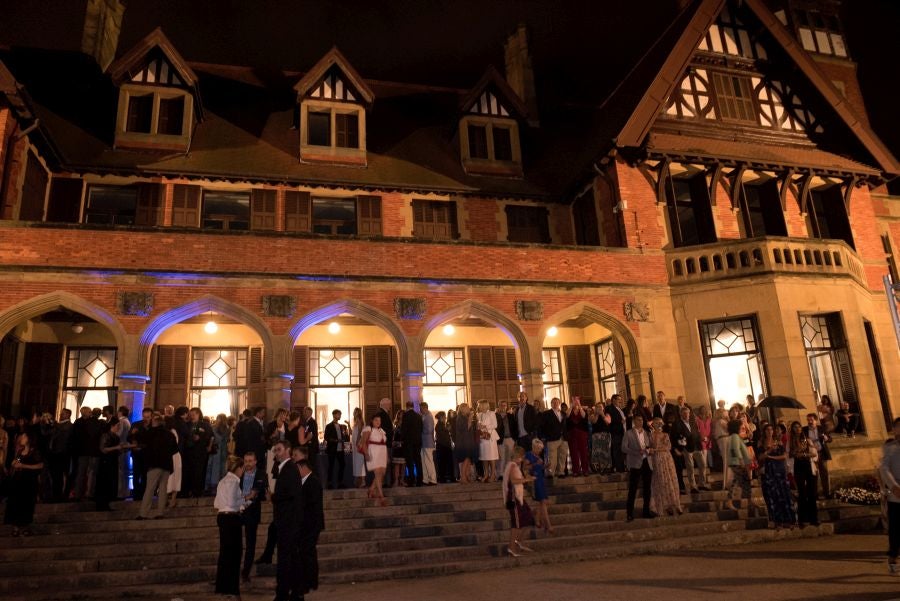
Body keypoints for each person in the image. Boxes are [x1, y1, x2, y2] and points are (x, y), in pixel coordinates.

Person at [213, 455, 254, 598]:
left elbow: (219, 502)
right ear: (239, 468)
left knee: (225, 554)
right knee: (234, 555)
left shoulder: (223, 480)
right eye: (243, 468)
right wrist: (246, 499)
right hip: (231, 519)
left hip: (224, 517)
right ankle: (232, 589)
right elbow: (232, 502)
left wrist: (245, 501)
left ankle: (224, 587)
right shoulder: (233, 482)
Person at [271, 440, 302, 601]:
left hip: (288, 523)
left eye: (279, 450)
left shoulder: (289, 469)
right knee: (290, 559)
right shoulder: (285, 468)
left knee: (286, 559)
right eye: (275, 450)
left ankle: (284, 594)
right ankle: (295, 593)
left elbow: (291, 495)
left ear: (288, 451)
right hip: (287, 522)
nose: (276, 452)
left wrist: (275, 497)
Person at [136, 413, 178, 520]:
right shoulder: (169, 434)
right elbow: (175, 449)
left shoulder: (151, 433)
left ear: (154, 422)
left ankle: (143, 513)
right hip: (167, 464)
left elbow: (140, 441)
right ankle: (160, 512)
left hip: (154, 463)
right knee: (163, 489)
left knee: (150, 488)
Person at [3, 432, 44, 536]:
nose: (22, 438)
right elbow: (16, 462)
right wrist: (14, 463)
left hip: (29, 482)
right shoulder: (19, 451)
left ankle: (25, 527)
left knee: (27, 504)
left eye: (24, 436)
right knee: (15, 503)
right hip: (18, 482)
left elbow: (40, 465)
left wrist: (24, 466)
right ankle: (15, 528)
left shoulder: (34, 451)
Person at [757, 423, 796, 529]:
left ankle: (788, 520)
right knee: (773, 496)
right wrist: (769, 451)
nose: (770, 431)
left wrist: (772, 457)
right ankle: (777, 521)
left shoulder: (778, 442)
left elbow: (784, 455)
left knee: (784, 494)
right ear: (764, 432)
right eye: (767, 430)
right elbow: (760, 457)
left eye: (771, 429)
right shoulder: (761, 443)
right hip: (769, 471)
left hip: (779, 470)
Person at [296, 458, 324, 598]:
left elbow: (311, 505)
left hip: (311, 524)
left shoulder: (312, 481)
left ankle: (308, 582)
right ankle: (311, 581)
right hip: (308, 524)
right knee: (309, 553)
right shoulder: (308, 481)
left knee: (306, 553)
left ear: (303, 468)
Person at [240, 451, 268, 583]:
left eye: (250, 461)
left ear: (255, 461)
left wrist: (244, 498)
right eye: (246, 461)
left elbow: (255, 492)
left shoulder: (261, 474)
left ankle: (245, 572)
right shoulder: (238, 473)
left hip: (252, 511)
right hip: (237, 511)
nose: (248, 464)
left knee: (250, 544)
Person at [502, 446, 535, 557]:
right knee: (516, 524)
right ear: (517, 456)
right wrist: (527, 479)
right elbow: (513, 481)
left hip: (518, 497)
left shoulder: (515, 466)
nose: (522, 459)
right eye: (521, 457)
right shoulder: (512, 465)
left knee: (528, 517)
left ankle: (519, 542)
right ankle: (511, 547)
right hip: (513, 498)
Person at [788, 420, 819, 527]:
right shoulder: (790, 441)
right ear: (792, 429)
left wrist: (805, 454)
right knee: (801, 492)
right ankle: (802, 519)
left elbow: (814, 454)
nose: (797, 429)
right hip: (798, 467)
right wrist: (796, 453)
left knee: (812, 493)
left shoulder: (807, 439)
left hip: (808, 466)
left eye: (799, 427)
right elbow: (790, 455)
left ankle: (813, 518)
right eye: (795, 427)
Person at [622, 414, 654, 521]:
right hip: (635, 463)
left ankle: (646, 511)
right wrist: (636, 452)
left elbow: (649, 446)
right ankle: (630, 513)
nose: (640, 422)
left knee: (647, 489)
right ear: (634, 421)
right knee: (633, 489)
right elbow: (624, 448)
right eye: (638, 420)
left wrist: (650, 450)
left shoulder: (646, 433)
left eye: (641, 420)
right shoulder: (628, 433)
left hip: (647, 462)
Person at [879, 417, 900, 575]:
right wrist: (893, 486)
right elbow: (884, 469)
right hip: (896, 494)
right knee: (895, 529)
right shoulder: (890, 448)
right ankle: (893, 556)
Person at [649, 417, 682, 516]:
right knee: (661, 480)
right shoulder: (651, 435)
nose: (659, 425)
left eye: (660, 423)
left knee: (670, 479)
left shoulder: (665, 434)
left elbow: (668, 447)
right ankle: (663, 506)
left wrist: (655, 449)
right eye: (656, 423)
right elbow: (649, 447)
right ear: (653, 425)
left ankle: (674, 504)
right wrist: (654, 450)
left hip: (667, 459)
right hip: (657, 459)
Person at [723, 419, 757, 514]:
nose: (741, 427)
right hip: (737, 463)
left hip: (737, 462)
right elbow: (735, 450)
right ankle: (745, 502)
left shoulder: (735, 436)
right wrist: (741, 461)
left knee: (738, 483)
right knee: (745, 482)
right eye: (740, 426)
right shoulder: (734, 437)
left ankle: (748, 501)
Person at [671, 405, 707, 493]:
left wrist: (701, 439)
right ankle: (693, 486)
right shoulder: (677, 423)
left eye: (687, 413)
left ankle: (702, 484)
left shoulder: (693, 422)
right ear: (680, 414)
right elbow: (674, 436)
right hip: (686, 448)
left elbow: (697, 433)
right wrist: (679, 446)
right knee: (690, 467)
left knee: (702, 464)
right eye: (684, 413)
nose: (686, 415)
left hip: (696, 446)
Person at [71, 406, 101, 500]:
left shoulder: (78, 422)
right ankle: (86, 493)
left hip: (83, 451)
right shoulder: (93, 422)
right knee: (88, 473)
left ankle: (80, 493)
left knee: (83, 473)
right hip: (88, 451)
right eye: (89, 412)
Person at [525, 438, 552, 534]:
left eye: (541, 449)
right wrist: (536, 463)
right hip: (535, 481)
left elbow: (539, 467)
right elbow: (525, 467)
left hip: (541, 480)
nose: (540, 451)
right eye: (539, 449)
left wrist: (545, 466)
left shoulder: (539, 457)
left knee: (543, 502)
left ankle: (537, 519)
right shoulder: (529, 455)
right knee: (543, 502)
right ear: (534, 447)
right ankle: (548, 525)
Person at [361, 414, 388, 505]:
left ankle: (371, 489)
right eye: (376, 420)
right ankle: (381, 496)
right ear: (372, 421)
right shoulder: (368, 429)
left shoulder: (381, 430)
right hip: (373, 452)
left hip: (382, 453)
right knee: (378, 474)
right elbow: (363, 442)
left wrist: (387, 456)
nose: (378, 422)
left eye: (379, 421)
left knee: (382, 474)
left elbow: (384, 444)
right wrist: (366, 453)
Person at [803, 413, 832, 498]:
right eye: (808, 420)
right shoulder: (804, 430)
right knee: (813, 474)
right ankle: (814, 494)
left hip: (821, 453)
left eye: (811, 420)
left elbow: (830, 439)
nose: (809, 422)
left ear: (816, 420)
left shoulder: (821, 428)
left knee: (824, 473)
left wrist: (827, 439)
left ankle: (827, 493)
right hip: (811, 455)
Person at [47, 408, 73, 502]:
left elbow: (62, 431)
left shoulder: (69, 425)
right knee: (54, 474)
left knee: (60, 474)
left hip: (62, 454)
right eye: (61, 413)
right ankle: (54, 493)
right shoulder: (58, 425)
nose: (61, 415)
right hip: (54, 453)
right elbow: (48, 433)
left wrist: (52, 421)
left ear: (68, 415)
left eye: (63, 414)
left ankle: (59, 494)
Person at [95, 418, 121, 511]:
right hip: (106, 462)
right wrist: (116, 448)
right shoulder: (106, 436)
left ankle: (108, 502)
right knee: (105, 481)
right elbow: (103, 449)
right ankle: (102, 503)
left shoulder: (116, 437)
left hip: (113, 461)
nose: (119, 427)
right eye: (118, 425)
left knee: (111, 481)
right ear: (112, 426)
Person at [128, 407, 153, 501]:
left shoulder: (153, 426)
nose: (145, 419)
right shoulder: (136, 425)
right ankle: (136, 494)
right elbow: (128, 438)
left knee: (146, 475)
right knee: (136, 474)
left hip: (147, 455)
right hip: (137, 454)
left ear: (151, 417)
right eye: (144, 416)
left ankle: (144, 493)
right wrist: (132, 436)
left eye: (148, 417)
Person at [541, 397, 567, 479]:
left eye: (557, 402)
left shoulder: (563, 413)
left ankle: (561, 472)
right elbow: (542, 426)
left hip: (563, 438)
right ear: (551, 404)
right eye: (554, 402)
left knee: (562, 456)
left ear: (559, 403)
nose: (555, 403)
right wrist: (545, 436)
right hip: (552, 438)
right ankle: (550, 473)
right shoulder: (546, 414)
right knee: (552, 458)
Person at [323, 409, 349, 489]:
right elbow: (326, 437)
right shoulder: (329, 426)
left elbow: (346, 438)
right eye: (338, 414)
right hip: (332, 449)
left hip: (340, 449)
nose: (340, 416)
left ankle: (340, 482)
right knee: (331, 466)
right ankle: (329, 483)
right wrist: (336, 440)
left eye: (340, 414)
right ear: (334, 415)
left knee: (342, 465)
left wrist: (346, 435)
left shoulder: (342, 426)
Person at [401, 401, 424, 487]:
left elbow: (404, 430)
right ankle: (419, 481)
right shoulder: (418, 416)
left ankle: (411, 480)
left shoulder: (405, 416)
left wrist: (402, 439)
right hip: (418, 442)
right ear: (413, 407)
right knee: (418, 461)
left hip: (408, 442)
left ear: (406, 407)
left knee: (410, 462)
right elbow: (421, 428)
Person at [476, 400, 499, 483]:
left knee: (491, 457)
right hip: (482, 438)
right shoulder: (478, 415)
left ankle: (492, 475)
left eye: (480, 405)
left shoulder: (491, 413)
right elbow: (478, 427)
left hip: (490, 437)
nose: (479, 407)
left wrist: (485, 426)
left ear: (485, 405)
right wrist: (478, 427)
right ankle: (486, 474)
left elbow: (495, 425)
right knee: (484, 457)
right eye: (478, 406)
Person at [566, 396, 590, 477]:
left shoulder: (582, 410)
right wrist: (572, 405)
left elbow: (583, 416)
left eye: (577, 400)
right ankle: (575, 470)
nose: (576, 401)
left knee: (583, 452)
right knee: (574, 453)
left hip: (582, 434)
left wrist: (579, 406)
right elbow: (567, 415)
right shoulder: (570, 410)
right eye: (574, 400)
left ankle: (585, 470)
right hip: (572, 434)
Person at [206, 413, 230, 493]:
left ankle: (213, 485)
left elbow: (214, 438)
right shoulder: (227, 429)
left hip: (216, 449)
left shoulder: (214, 428)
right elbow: (227, 440)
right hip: (223, 449)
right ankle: (221, 484)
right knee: (222, 467)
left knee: (214, 467)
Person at [454, 404, 477, 484]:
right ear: (463, 409)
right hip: (463, 443)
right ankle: (463, 477)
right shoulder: (460, 418)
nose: (469, 409)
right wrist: (470, 419)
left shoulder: (464, 417)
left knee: (468, 460)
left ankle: (467, 476)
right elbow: (465, 429)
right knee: (466, 459)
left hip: (468, 442)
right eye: (467, 408)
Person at [374, 398, 394, 486]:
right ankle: (385, 482)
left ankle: (385, 482)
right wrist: (391, 431)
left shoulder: (381, 414)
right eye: (389, 404)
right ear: (385, 405)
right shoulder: (382, 414)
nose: (390, 406)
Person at [605, 394, 627, 473]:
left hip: (622, 432)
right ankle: (619, 468)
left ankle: (622, 467)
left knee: (621, 451)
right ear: (613, 400)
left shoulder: (619, 409)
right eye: (618, 399)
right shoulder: (609, 408)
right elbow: (609, 420)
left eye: (620, 399)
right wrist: (620, 422)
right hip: (615, 432)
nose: (620, 401)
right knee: (617, 451)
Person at [495, 400, 516, 478]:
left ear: (506, 407)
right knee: (501, 457)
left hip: (510, 438)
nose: (503, 407)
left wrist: (514, 438)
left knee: (509, 457)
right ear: (498, 406)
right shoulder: (495, 416)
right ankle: (500, 473)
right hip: (501, 439)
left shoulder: (510, 416)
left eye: (504, 405)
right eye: (501, 405)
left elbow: (514, 427)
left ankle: (508, 472)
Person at [420, 402, 437, 486]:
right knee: (424, 461)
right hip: (424, 442)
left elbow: (429, 430)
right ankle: (426, 479)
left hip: (428, 442)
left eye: (421, 408)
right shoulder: (424, 416)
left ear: (424, 407)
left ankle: (433, 479)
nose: (420, 410)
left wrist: (421, 430)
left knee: (429, 461)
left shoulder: (429, 417)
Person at [434, 411, 454, 483]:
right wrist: (447, 430)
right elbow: (443, 436)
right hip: (443, 446)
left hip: (443, 446)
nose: (445, 418)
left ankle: (444, 477)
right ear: (441, 417)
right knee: (443, 462)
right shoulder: (439, 425)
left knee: (444, 462)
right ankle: (443, 478)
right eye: (444, 417)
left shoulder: (442, 425)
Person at [350, 408, 367, 488]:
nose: (354, 413)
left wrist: (357, 441)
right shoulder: (356, 421)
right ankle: (359, 481)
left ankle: (362, 481)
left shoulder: (359, 420)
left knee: (360, 463)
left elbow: (360, 432)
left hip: (358, 444)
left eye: (355, 411)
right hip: (355, 445)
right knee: (358, 463)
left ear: (358, 413)